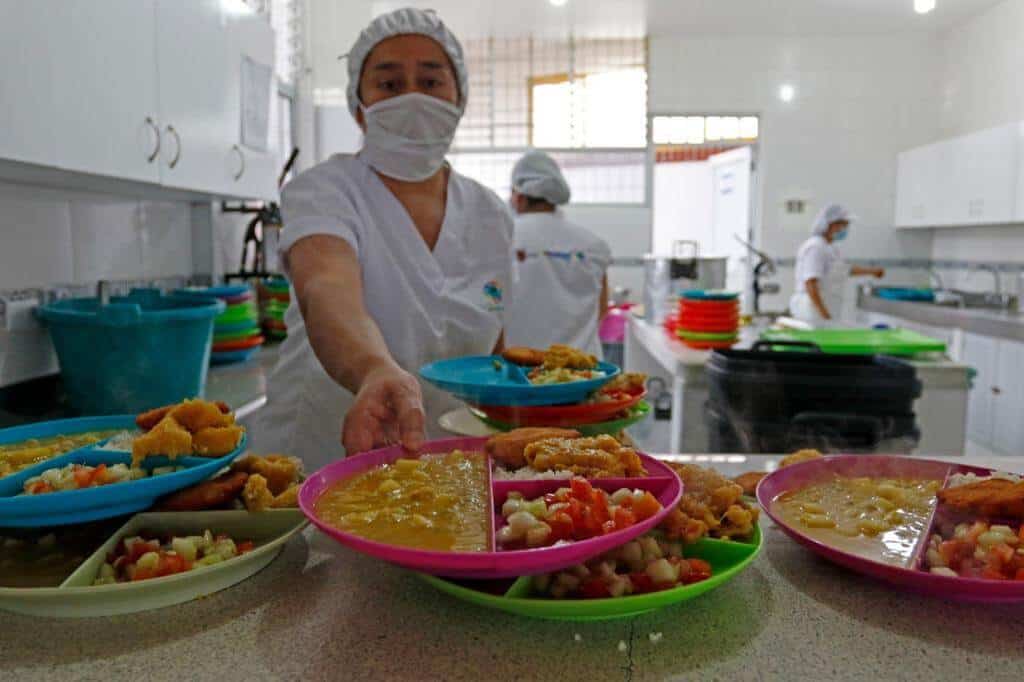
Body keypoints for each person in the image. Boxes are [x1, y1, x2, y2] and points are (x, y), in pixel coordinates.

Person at [252, 8, 513, 468]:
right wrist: (373, 369)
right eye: (389, 85)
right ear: (359, 107)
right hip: (323, 458)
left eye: (431, 82)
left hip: (445, 463)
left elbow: (492, 344)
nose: (412, 98)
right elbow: (326, 287)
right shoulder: (325, 190)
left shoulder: (490, 213)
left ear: (460, 100)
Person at [503, 150, 612, 357]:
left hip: (518, 369)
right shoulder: (594, 245)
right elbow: (602, 309)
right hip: (581, 371)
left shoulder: (502, 239)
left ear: (519, 197)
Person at [789, 203, 884, 326]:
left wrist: (872, 272)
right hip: (813, 309)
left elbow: (845, 270)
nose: (845, 229)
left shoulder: (830, 248)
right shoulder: (815, 247)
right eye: (844, 225)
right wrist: (824, 314)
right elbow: (811, 283)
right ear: (831, 225)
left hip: (825, 307)